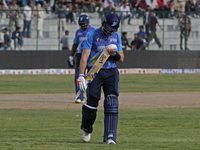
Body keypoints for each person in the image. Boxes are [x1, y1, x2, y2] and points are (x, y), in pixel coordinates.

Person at [78, 13, 124, 144]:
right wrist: (81, 76)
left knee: (111, 101)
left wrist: (114, 53)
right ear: (104, 24)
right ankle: (87, 129)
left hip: (111, 71)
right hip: (95, 72)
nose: (110, 31)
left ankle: (110, 136)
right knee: (92, 103)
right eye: (109, 28)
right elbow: (84, 57)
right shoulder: (92, 35)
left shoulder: (116, 36)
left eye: (113, 29)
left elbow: (121, 59)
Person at [69, 15, 96, 104]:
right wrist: (71, 55)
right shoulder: (78, 32)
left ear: (88, 22)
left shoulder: (94, 31)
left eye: (84, 23)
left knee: (90, 76)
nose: (83, 25)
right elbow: (75, 44)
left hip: (90, 55)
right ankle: (79, 96)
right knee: (78, 76)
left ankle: (90, 96)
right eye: (81, 24)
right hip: (80, 54)